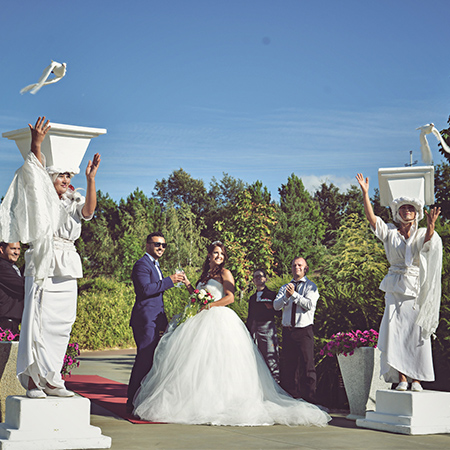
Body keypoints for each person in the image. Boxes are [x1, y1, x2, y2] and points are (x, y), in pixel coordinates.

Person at [132, 241, 330, 427]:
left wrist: (210, 305)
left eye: (221, 254)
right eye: (215, 253)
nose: (218, 256)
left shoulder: (225, 273)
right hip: (200, 319)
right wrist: (189, 286)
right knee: (198, 363)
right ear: (209, 255)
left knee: (219, 362)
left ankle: (223, 401)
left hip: (218, 319)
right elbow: (197, 298)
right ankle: (199, 399)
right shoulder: (205, 275)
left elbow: (230, 298)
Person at [0, 116, 101, 398]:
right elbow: (33, 173)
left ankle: (53, 378)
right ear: (50, 178)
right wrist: (37, 144)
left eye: (70, 175)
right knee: (38, 322)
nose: (67, 180)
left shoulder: (74, 202)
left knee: (62, 324)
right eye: (61, 175)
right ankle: (34, 381)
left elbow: (89, 212)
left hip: (67, 264)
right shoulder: (39, 200)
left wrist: (91, 180)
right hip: (43, 261)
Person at [356, 173, 442, 391]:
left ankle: (417, 379)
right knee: (396, 334)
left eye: (410, 209)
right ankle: (402, 378)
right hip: (394, 289)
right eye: (403, 208)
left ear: (416, 213)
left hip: (414, 290)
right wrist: (366, 194)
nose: (406, 212)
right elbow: (372, 219)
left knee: (416, 334)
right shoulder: (390, 233)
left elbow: (427, 245)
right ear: (397, 212)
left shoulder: (422, 232)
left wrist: (431, 226)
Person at [126, 232, 185, 413]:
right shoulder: (141, 265)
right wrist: (170, 280)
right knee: (144, 359)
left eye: (164, 245)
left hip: (156, 320)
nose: (161, 248)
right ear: (147, 245)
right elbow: (145, 290)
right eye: (157, 244)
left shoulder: (155, 265)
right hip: (145, 320)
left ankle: (144, 399)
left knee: (154, 360)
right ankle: (132, 401)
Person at [273, 257, 319, 404]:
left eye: (300, 265)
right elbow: (276, 306)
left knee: (307, 367)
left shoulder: (311, 287)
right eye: (294, 265)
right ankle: (290, 400)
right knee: (289, 367)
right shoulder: (284, 287)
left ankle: (310, 400)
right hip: (288, 331)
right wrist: (286, 297)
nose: (296, 267)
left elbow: (309, 305)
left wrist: (294, 295)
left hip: (304, 331)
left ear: (306, 268)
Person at [246, 268, 280, 383]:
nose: (258, 278)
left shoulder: (272, 295)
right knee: (257, 359)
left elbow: (279, 312)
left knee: (271, 359)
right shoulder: (251, 298)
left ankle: (275, 385)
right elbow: (250, 316)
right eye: (256, 277)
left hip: (268, 329)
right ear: (253, 281)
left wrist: (270, 308)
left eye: (260, 276)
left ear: (265, 278)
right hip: (254, 330)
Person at [0, 242, 24, 335]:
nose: (17, 252)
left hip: (11, 322)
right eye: (13, 248)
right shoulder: (2, 267)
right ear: (2, 250)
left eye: (18, 249)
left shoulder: (11, 266)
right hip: (5, 322)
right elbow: (21, 286)